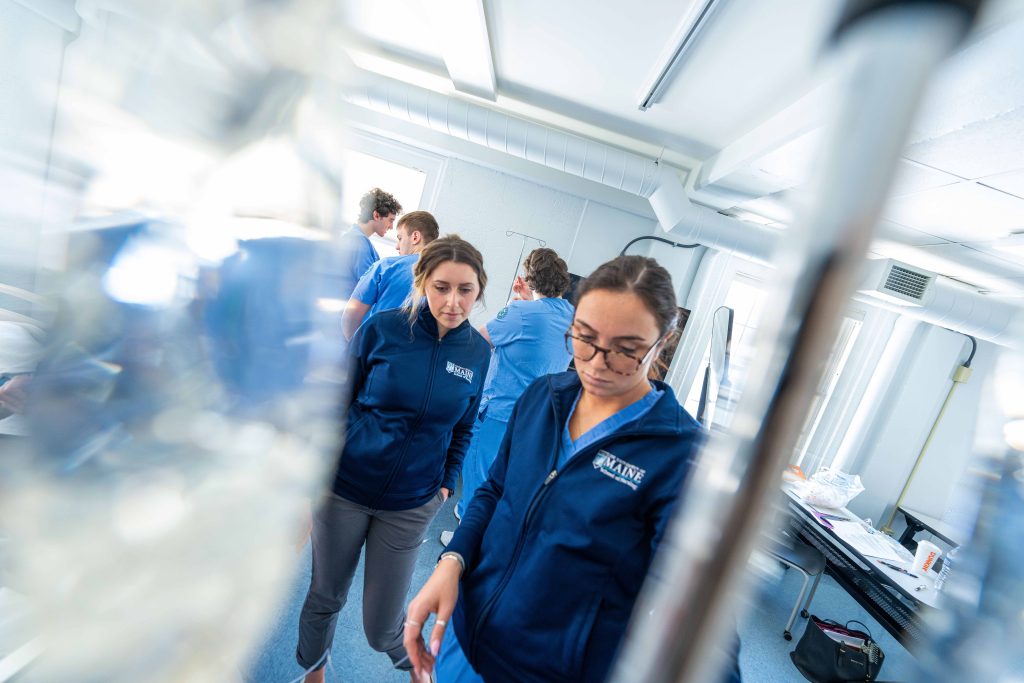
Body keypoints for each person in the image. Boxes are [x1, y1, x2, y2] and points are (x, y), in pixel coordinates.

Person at [403, 255, 742, 683]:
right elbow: (494, 492)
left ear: (663, 340)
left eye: (625, 351)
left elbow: (706, 618)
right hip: (465, 636)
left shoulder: (682, 456)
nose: (596, 363)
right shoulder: (543, 398)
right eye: (583, 338)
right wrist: (452, 561)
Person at [296, 235, 493, 683]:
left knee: (382, 627)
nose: (453, 300)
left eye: (465, 289)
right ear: (423, 282)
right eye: (442, 287)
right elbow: (336, 400)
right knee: (325, 597)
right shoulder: (384, 328)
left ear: (479, 291)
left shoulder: (478, 354)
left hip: (411, 502)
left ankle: (424, 672)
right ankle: (312, 674)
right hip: (344, 488)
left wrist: (446, 483)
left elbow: (464, 426)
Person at [440, 248, 574, 546]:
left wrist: (515, 306)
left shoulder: (520, 313)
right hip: (538, 418)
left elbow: (476, 342)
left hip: (499, 414)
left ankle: (466, 540)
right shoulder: (572, 317)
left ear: (529, 278)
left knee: (480, 478)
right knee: (509, 481)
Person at [341, 210, 441, 339]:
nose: (397, 246)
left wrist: (358, 350)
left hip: (375, 351)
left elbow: (350, 316)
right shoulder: (449, 280)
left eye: (400, 238)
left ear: (415, 237)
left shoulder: (386, 266)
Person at [339, 187, 403, 298]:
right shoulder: (358, 242)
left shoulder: (357, 239)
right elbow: (370, 286)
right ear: (376, 215)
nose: (391, 227)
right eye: (391, 220)